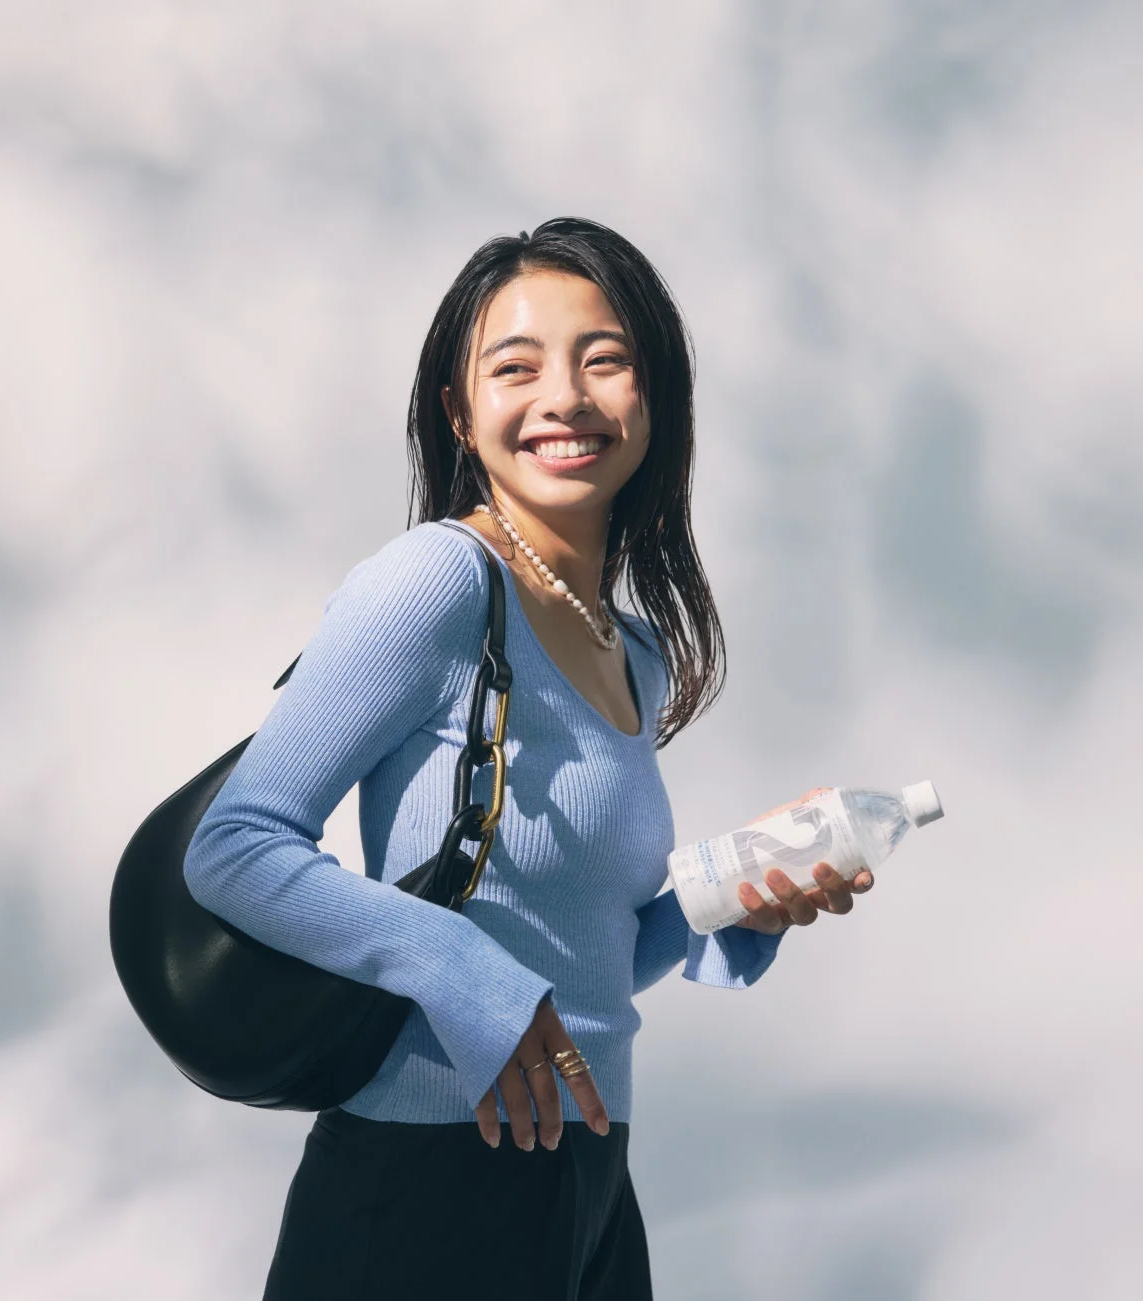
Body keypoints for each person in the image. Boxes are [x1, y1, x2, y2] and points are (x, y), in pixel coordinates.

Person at [182, 217, 875, 1300]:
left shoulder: (631, 651)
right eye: (517, 367)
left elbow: (586, 953)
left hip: (589, 1175)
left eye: (605, 359)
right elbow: (233, 847)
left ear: (656, 399)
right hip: (427, 1179)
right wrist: (462, 969)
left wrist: (730, 897)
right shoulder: (436, 582)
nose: (565, 397)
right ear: (462, 412)